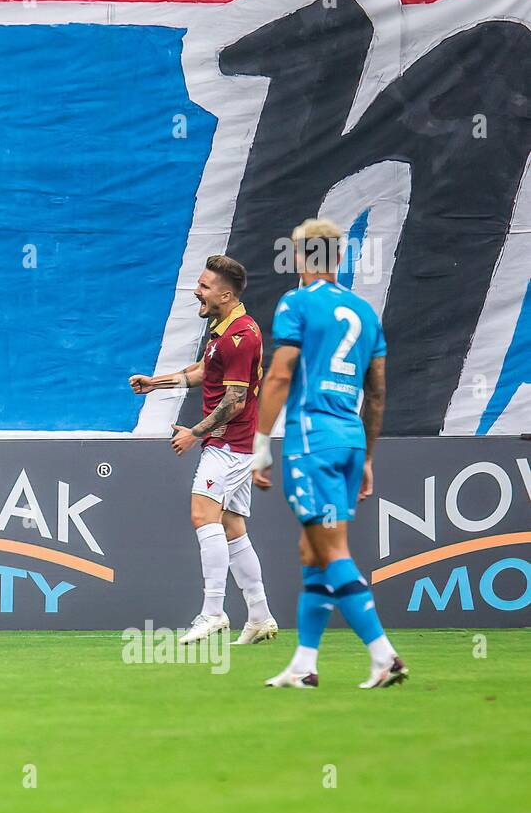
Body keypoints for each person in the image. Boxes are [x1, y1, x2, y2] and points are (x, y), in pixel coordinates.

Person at [250, 218, 406, 689]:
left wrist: (260, 443)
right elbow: (376, 395)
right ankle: (303, 664)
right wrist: (369, 457)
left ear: (299, 258)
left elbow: (279, 375)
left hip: (311, 438)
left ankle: (384, 655)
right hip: (350, 440)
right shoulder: (365, 312)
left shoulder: (296, 303)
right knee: (312, 551)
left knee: (329, 547)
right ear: (340, 258)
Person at [130, 255, 277, 646]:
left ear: (225, 294)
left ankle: (213, 613)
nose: (197, 290)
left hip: (230, 442)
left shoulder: (241, 337)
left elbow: (236, 401)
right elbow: (203, 372)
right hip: (232, 442)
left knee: (202, 513)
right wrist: (155, 383)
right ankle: (260, 616)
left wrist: (194, 433)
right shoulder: (224, 329)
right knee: (231, 526)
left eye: (204, 286)